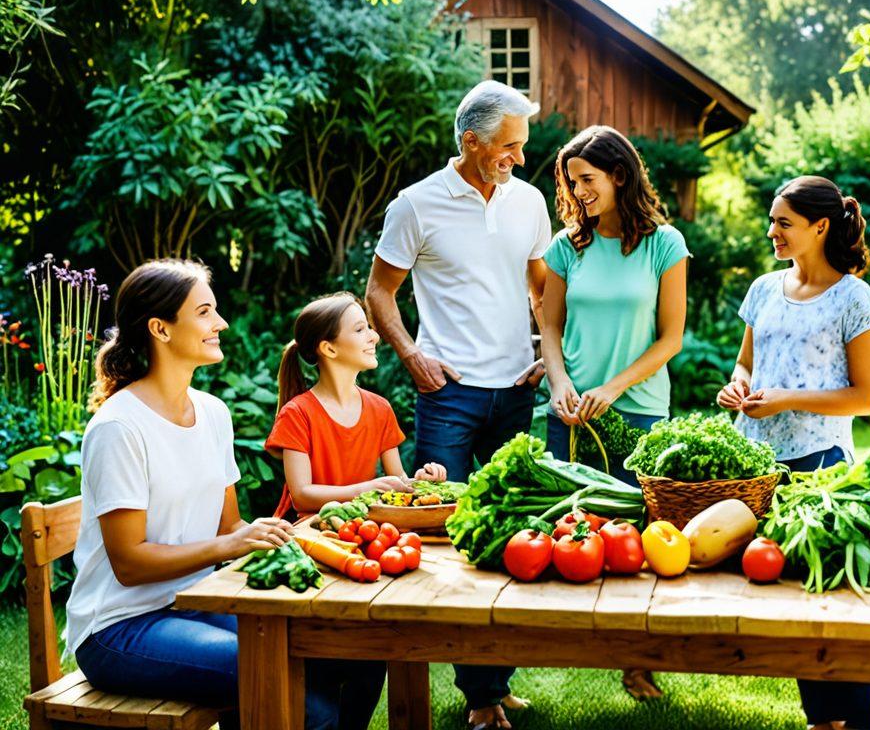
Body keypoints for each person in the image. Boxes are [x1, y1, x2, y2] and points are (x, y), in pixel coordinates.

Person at [65, 259, 382, 730]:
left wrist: (261, 535)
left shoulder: (212, 413)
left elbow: (228, 527)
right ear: (161, 329)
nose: (221, 323)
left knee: (358, 653)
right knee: (301, 703)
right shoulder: (119, 428)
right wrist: (229, 545)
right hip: (120, 628)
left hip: (198, 603)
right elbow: (129, 564)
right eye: (205, 312)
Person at [366, 80, 549, 730]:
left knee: (506, 533)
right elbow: (379, 294)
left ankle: (489, 681)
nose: (520, 159)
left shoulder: (528, 203)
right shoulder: (416, 205)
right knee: (445, 538)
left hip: (516, 391)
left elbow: (540, 289)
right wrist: (412, 356)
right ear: (470, 142)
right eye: (509, 146)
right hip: (447, 394)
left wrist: (543, 353)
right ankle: (477, 698)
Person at [716, 175, 870, 730]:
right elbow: (747, 362)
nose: (772, 232)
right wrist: (738, 386)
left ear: (820, 226)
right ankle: (820, 717)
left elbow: (866, 397)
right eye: (772, 220)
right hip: (756, 462)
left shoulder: (853, 297)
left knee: (828, 598)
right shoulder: (764, 289)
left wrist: (786, 398)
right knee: (780, 594)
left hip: (820, 464)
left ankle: (854, 717)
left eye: (783, 223)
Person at [540, 125, 688, 700]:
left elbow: (670, 338)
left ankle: (637, 661)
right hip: (572, 412)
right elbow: (549, 326)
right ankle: (558, 643)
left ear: (619, 175)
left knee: (642, 544)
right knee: (569, 534)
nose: (578, 194)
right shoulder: (566, 247)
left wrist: (613, 386)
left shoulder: (663, 244)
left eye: (588, 181)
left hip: (641, 413)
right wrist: (560, 384)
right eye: (572, 183)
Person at [266, 292, 446, 519]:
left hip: (363, 526)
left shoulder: (380, 408)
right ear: (329, 349)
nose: (375, 337)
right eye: (360, 329)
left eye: (369, 327)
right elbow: (301, 494)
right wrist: (364, 489)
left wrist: (421, 482)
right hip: (310, 531)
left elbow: (398, 482)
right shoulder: (297, 413)